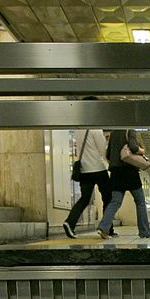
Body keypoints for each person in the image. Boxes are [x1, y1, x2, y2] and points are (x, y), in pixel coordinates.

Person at [63, 99, 113, 239]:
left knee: (84, 199)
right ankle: (107, 228)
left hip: (84, 170)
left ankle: (70, 222)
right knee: (108, 198)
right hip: (98, 169)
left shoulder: (79, 128)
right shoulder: (95, 128)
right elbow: (102, 149)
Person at [101, 129, 150, 240]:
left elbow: (108, 154)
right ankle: (144, 232)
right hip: (129, 172)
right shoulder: (130, 130)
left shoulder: (113, 133)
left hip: (115, 173)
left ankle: (104, 227)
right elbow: (133, 147)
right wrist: (142, 151)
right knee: (140, 202)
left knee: (115, 202)